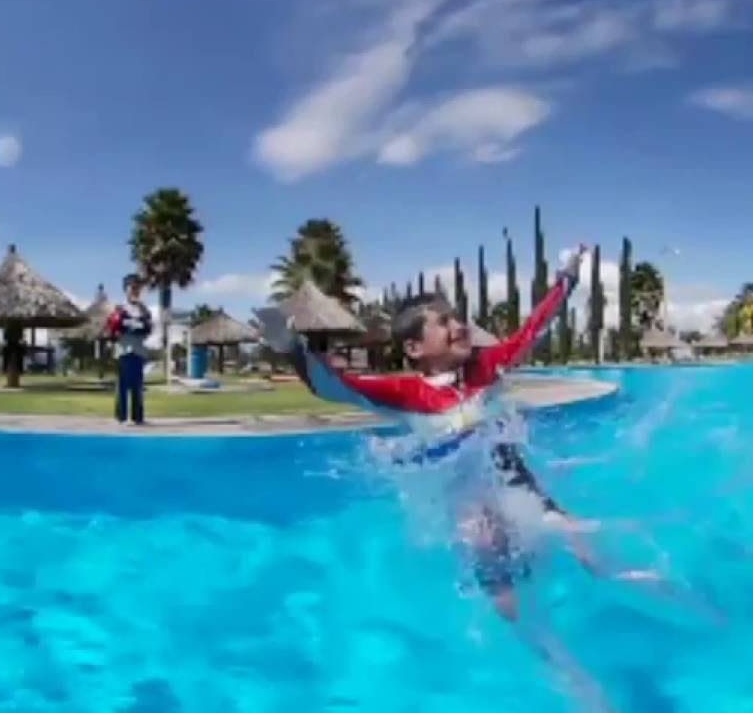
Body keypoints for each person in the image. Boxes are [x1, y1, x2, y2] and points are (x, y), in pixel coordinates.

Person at [255, 247, 691, 709]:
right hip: (468, 502)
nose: (458, 325)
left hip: (519, 489)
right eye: (443, 322)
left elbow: (534, 328)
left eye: (456, 316)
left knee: (587, 551)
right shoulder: (402, 392)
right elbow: (334, 387)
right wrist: (290, 347)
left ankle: (667, 597)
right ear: (414, 348)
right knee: (504, 594)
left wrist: (566, 276)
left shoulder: (487, 366)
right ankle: (561, 671)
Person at [103, 274, 153, 425]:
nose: (135, 290)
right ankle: (121, 417)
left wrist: (134, 325)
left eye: (137, 288)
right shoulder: (119, 308)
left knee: (137, 386)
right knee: (122, 386)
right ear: (125, 289)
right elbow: (112, 328)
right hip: (123, 351)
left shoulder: (144, 309)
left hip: (138, 351)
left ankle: (138, 417)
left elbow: (147, 328)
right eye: (132, 287)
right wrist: (127, 325)